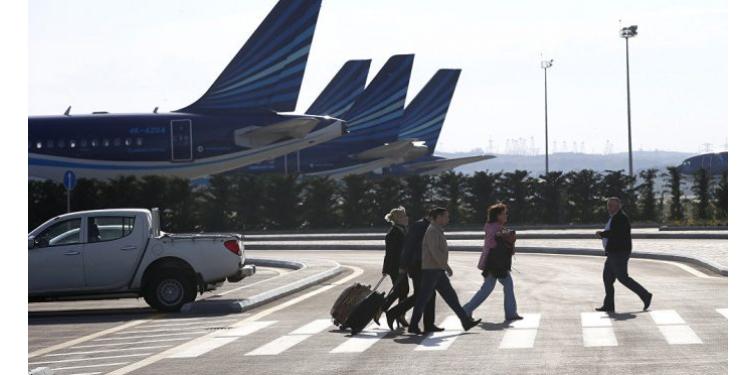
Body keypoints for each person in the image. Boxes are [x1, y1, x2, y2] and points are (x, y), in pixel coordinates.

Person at [407, 207, 481, 334]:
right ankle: (413, 326)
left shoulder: (436, 230)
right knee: (423, 299)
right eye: (446, 216)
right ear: (439, 217)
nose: (448, 219)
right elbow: (434, 251)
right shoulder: (432, 231)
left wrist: (443, 266)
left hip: (436, 270)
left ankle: (465, 321)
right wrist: (446, 266)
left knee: (451, 297)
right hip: (431, 270)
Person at [462, 203, 523, 322]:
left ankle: (510, 312)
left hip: (498, 263)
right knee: (488, 288)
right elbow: (494, 237)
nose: (506, 216)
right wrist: (503, 234)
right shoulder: (493, 227)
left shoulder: (496, 226)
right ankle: (466, 310)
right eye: (504, 213)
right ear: (498, 215)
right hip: (494, 264)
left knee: (503, 285)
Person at [385, 212, 441, 332]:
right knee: (419, 295)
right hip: (415, 266)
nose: (407, 218)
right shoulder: (414, 228)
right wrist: (398, 267)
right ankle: (394, 313)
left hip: (416, 266)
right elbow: (397, 252)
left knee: (424, 295)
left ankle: (426, 324)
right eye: (403, 216)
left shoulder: (407, 230)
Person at [595, 197, 653, 312]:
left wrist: (602, 234)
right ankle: (609, 305)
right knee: (607, 278)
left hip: (619, 253)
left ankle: (645, 295)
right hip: (613, 252)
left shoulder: (621, 218)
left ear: (619, 206)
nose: (609, 208)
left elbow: (616, 233)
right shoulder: (614, 217)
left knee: (623, 278)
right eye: (609, 205)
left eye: (612, 205)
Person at [382, 207, 410, 328]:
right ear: (398, 219)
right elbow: (390, 253)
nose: (407, 218)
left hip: (402, 267)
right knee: (401, 290)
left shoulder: (403, 230)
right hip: (396, 268)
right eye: (404, 216)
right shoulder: (393, 233)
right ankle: (386, 309)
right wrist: (386, 269)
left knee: (403, 291)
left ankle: (399, 314)